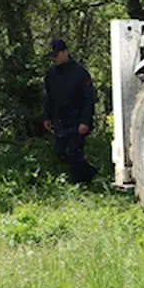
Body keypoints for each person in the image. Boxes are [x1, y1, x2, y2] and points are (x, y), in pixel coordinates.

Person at [42, 38, 99, 185]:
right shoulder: (50, 75)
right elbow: (48, 97)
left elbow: (89, 99)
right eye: (52, 56)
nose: (54, 58)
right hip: (60, 120)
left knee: (74, 153)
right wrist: (47, 117)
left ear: (65, 53)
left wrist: (85, 121)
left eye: (56, 55)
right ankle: (90, 173)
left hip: (77, 120)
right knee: (60, 152)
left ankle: (78, 184)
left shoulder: (80, 73)